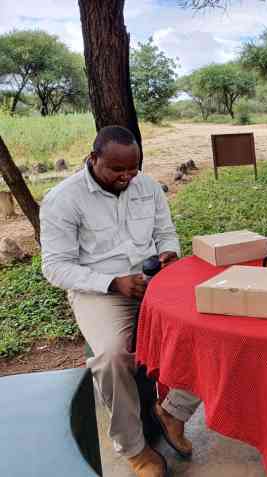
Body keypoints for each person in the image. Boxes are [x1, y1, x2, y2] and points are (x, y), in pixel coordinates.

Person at [40, 125, 200, 477]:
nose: (127, 177)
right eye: (117, 170)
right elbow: (55, 267)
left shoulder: (146, 186)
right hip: (98, 291)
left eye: (133, 169)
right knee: (113, 355)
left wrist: (169, 253)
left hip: (153, 282)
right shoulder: (63, 200)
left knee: (207, 324)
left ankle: (174, 410)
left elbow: (165, 231)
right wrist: (113, 283)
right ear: (92, 158)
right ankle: (135, 449)